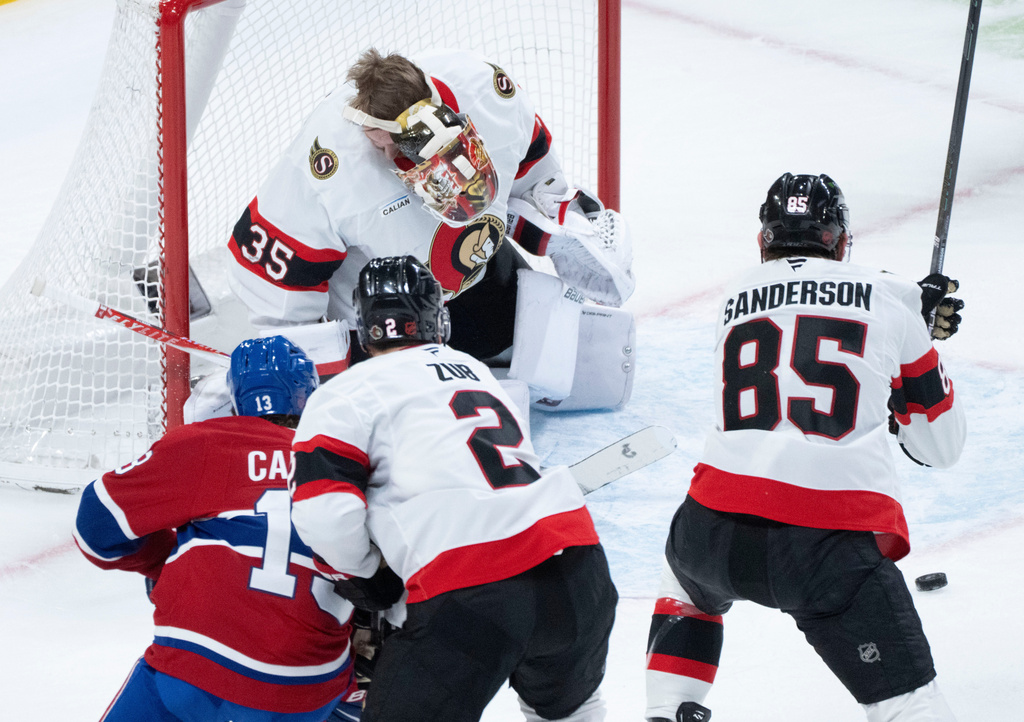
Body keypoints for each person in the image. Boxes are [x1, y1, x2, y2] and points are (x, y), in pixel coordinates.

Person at [643, 173, 967, 722]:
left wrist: (903, 313)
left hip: (712, 531)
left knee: (685, 584)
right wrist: (917, 342)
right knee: (908, 704)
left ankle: (666, 710)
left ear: (764, 240)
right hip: (825, 547)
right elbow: (940, 448)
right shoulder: (895, 302)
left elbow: (810, 313)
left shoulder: (732, 295)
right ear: (841, 241)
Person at [287, 255, 619, 722]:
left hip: (473, 589)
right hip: (577, 570)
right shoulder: (475, 370)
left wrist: (368, 577)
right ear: (436, 318)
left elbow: (325, 512)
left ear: (363, 326)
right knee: (570, 713)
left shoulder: (344, 393)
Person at [222, 47, 636, 415]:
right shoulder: (326, 167)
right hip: (379, 324)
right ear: (370, 130)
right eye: (387, 147)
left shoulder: (489, 95)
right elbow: (284, 306)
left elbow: (535, 185)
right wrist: (306, 375)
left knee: (584, 370)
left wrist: (567, 227)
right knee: (412, 429)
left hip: (476, 278)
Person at [73, 336, 364, 722]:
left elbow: (94, 524)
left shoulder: (208, 443)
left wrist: (163, 561)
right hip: (309, 693)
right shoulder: (348, 463)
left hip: (193, 672)